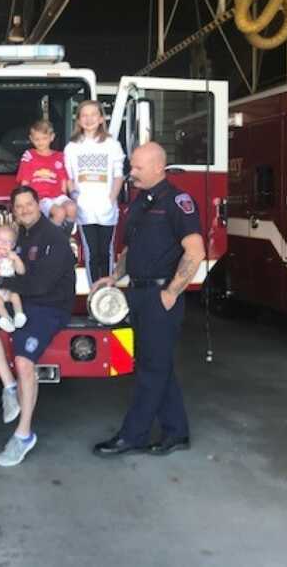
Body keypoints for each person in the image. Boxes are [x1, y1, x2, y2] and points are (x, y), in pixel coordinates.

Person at [90, 142, 205, 458]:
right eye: (132, 166)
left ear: (158, 167)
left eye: (138, 167)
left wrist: (171, 293)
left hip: (160, 296)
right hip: (137, 294)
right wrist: (114, 277)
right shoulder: (140, 203)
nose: (132, 172)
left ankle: (133, 435)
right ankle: (176, 432)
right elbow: (131, 250)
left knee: (150, 371)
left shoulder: (178, 201)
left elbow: (195, 251)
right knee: (156, 365)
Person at [0, 186, 76, 467]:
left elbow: (40, 285)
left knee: (24, 361)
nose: (25, 209)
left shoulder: (54, 238)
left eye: (29, 204)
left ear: (38, 204)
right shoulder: (16, 236)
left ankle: (24, 434)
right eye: (19, 206)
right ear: (13, 210)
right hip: (18, 301)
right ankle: (8, 388)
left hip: (48, 305)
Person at [64, 100, 126, 285]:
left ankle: (106, 292)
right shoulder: (72, 147)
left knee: (105, 252)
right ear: (79, 120)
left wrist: (111, 199)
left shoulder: (112, 145)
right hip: (84, 209)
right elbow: (68, 178)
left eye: (93, 115)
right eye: (84, 115)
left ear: (100, 118)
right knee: (91, 253)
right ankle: (94, 294)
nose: (89, 119)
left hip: (106, 209)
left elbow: (118, 175)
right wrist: (75, 198)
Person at [16, 119, 77, 232]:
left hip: (57, 195)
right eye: (37, 139)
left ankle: (64, 238)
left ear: (52, 137)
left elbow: (64, 179)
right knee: (59, 213)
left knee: (72, 208)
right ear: (31, 139)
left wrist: (70, 194)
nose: (41, 142)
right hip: (40, 197)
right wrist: (26, 200)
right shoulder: (29, 155)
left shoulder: (60, 156)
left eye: (44, 138)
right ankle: (49, 239)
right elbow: (25, 180)